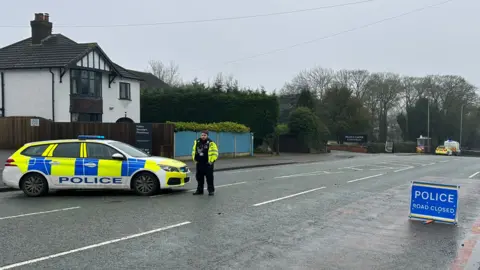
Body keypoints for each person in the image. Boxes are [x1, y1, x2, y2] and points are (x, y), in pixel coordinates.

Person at [191, 130, 218, 196]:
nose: (203, 136)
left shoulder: (211, 143)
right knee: (199, 178)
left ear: (207, 136)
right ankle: (200, 190)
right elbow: (194, 151)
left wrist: (212, 161)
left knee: (209, 178)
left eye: (204, 135)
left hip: (208, 164)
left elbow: (215, 153)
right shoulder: (197, 142)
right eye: (202, 135)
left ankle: (211, 191)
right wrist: (195, 160)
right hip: (199, 163)